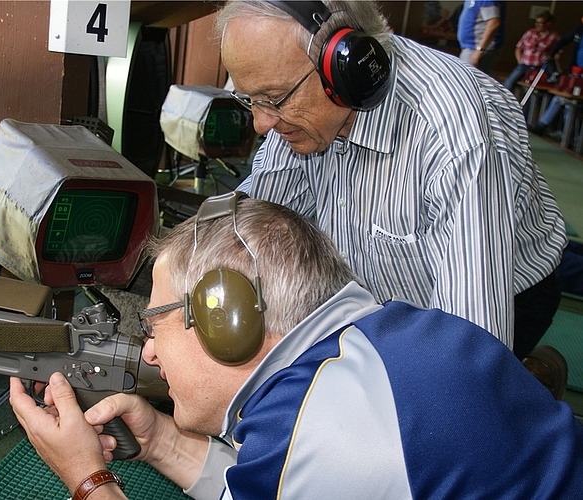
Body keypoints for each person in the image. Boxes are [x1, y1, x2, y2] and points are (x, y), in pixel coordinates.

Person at [9, 193, 583, 500]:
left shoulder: (330, 435)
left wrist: (87, 478)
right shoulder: (384, 339)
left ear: (223, 319)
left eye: (154, 324)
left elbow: (314, 464)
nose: (150, 353)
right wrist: (160, 441)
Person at [216, 0, 567, 361]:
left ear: (345, 67)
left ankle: (530, 384)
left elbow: (469, 348)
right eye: (251, 100)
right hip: (376, 292)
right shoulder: (295, 110)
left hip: (504, 294)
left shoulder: (452, 132)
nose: (261, 123)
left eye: (274, 99)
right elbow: (254, 224)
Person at [529, 17, 583, 138]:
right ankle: (544, 126)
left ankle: (568, 135)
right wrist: (551, 54)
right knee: (561, 97)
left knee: (572, 103)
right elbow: (562, 41)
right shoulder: (580, 30)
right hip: (576, 72)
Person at [503, 10, 559, 92]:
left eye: (540, 23)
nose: (537, 25)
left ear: (548, 24)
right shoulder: (529, 33)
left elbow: (558, 54)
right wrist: (520, 61)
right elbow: (519, 48)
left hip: (540, 67)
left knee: (533, 90)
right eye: (536, 22)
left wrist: (549, 57)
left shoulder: (554, 36)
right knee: (508, 83)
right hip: (524, 65)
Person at [457, 0, 505, 75]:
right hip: (470, 48)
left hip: (477, 49)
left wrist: (480, 49)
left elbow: (494, 23)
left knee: (469, 81)